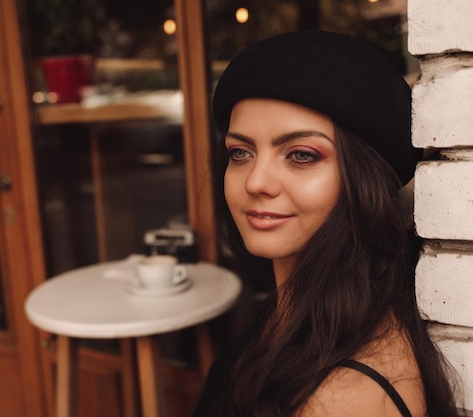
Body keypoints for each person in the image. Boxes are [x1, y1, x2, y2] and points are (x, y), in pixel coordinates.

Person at [191, 31, 460, 417]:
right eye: (240, 152)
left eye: (300, 154)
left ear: (362, 179)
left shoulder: (343, 398)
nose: (255, 181)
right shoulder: (302, 312)